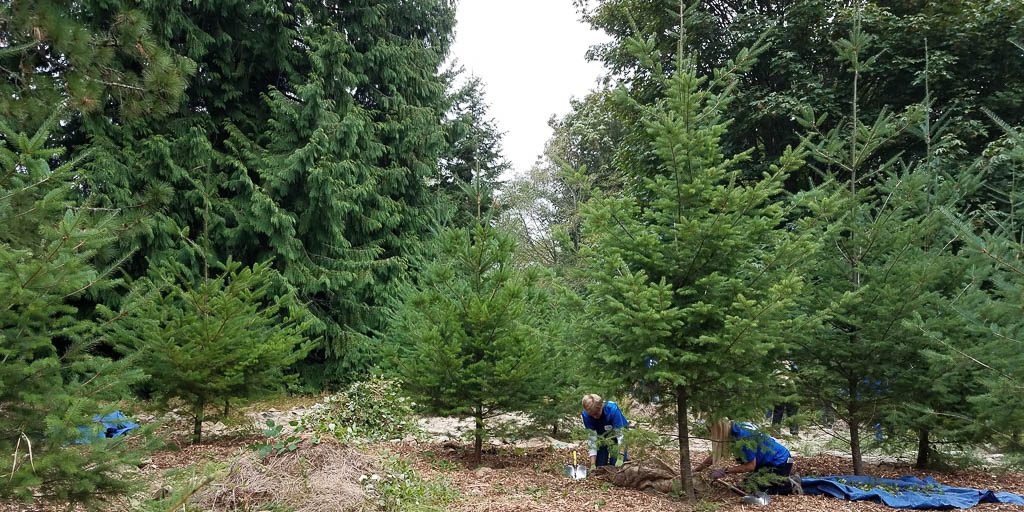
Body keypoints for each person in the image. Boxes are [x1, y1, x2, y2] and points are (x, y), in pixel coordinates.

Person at [695, 419, 802, 495]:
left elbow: (750, 466)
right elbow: (716, 454)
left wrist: (725, 471)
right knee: (747, 484)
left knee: (759, 490)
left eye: (711, 431)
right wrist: (696, 470)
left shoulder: (742, 438)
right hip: (770, 461)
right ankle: (785, 478)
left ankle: (790, 485)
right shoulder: (733, 427)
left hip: (782, 461)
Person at [581, 394, 629, 468]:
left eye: (596, 413)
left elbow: (621, 436)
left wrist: (620, 456)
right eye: (592, 415)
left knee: (616, 465)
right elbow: (592, 439)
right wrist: (593, 464)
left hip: (617, 434)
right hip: (601, 436)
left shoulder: (612, 409)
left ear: (601, 406)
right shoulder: (586, 415)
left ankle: (624, 456)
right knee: (600, 465)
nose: (595, 417)